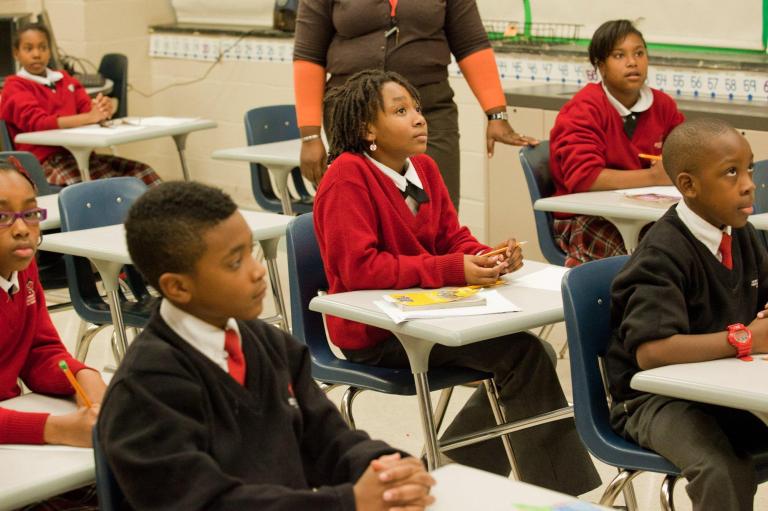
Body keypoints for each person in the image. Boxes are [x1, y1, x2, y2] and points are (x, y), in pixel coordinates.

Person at [313, 68, 599, 495]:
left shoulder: (424, 169)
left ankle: (447, 473)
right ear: (366, 128)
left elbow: (452, 238)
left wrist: (487, 256)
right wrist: (450, 269)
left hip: (427, 316)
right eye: (401, 111)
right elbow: (360, 269)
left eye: (417, 108)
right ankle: (555, 495)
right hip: (376, 331)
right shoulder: (346, 176)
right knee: (523, 354)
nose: (419, 118)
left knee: (529, 352)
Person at [98, 181, 435, 510]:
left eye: (251, 251)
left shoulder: (272, 345)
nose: (258, 271)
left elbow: (329, 440)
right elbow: (204, 501)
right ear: (178, 287)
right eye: (235, 262)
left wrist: (387, 469)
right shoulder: (144, 389)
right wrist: (349, 502)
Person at [606, 118, 768, 510]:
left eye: (749, 169)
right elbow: (651, 352)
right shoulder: (662, 253)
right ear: (689, 185)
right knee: (722, 469)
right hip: (654, 400)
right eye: (731, 172)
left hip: (721, 388)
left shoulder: (741, 233)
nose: (749, 184)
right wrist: (745, 338)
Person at [293, 0, 537, 209]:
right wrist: (310, 136)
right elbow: (308, 54)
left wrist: (496, 114)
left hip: (430, 112)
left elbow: (471, 44)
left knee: (437, 209)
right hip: (356, 118)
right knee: (363, 210)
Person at [549, 19, 685, 267]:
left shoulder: (663, 105)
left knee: (691, 245)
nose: (632, 62)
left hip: (644, 215)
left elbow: (686, 154)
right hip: (585, 218)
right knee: (647, 262)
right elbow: (585, 179)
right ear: (601, 66)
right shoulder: (584, 109)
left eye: (639, 53)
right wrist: (653, 177)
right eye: (619, 55)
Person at [0, 157, 106, 446]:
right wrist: (55, 429)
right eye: (2, 217)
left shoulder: (22, 267)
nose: (22, 229)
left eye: (31, 213)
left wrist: (83, 377)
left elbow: (39, 350)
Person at [0, 23, 160, 187]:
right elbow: (40, 123)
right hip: (44, 163)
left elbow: (88, 109)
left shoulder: (64, 79)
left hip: (82, 157)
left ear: (50, 51)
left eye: (43, 48)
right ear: (16, 53)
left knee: (143, 173)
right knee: (105, 187)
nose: (36, 54)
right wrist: (90, 117)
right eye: (28, 49)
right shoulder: (15, 86)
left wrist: (102, 110)